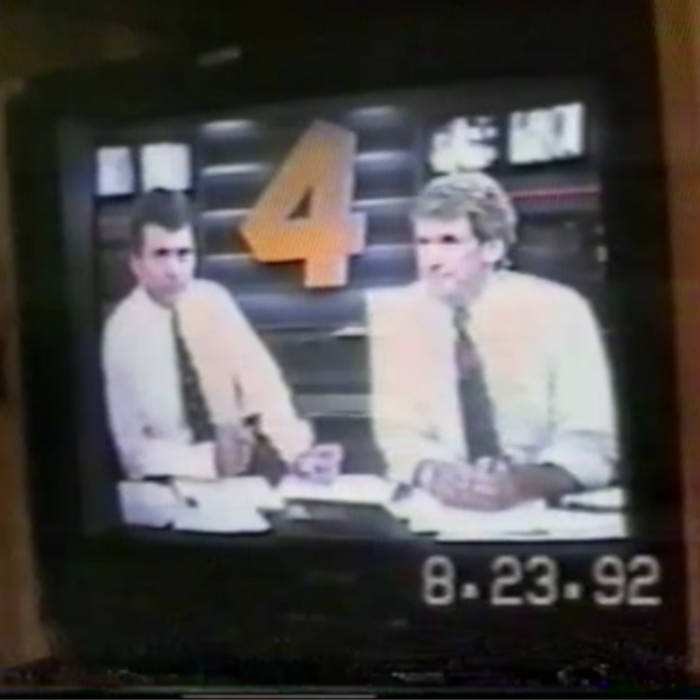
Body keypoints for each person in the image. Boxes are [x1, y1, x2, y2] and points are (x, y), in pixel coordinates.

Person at [368, 172, 618, 510]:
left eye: (449, 241)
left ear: (492, 248)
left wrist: (525, 482)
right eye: (423, 243)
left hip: (544, 511)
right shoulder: (395, 314)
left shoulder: (560, 310)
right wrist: (433, 473)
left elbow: (591, 443)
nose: (431, 260)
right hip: (437, 512)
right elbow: (398, 435)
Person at [102, 188, 341, 484]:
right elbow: (131, 451)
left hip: (238, 477)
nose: (174, 270)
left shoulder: (214, 301)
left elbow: (263, 386)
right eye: (161, 255)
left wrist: (298, 453)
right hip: (170, 482)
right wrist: (208, 461)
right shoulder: (121, 332)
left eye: (183, 254)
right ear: (136, 264)